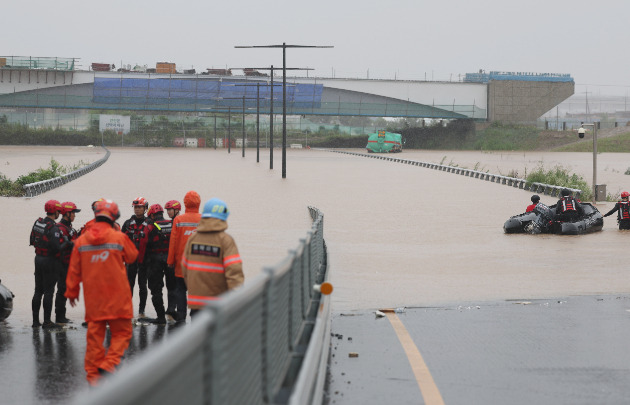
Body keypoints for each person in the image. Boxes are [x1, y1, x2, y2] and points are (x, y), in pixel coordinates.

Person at [65, 199, 138, 386]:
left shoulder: (81, 240)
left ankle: (93, 378)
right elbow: (132, 256)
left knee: (94, 339)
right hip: (118, 298)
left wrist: (72, 292)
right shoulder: (118, 237)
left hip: (94, 299)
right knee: (122, 334)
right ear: (114, 217)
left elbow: (74, 270)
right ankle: (110, 364)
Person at [181, 198, 244, 318]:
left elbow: (184, 268)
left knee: (198, 336)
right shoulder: (226, 240)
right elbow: (234, 273)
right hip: (218, 305)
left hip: (196, 304)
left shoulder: (193, 239)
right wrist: (237, 302)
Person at [167, 191, 201, 323]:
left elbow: (173, 243)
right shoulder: (204, 219)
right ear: (199, 203)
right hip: (198, 265)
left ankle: (181, 316)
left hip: (181, 264)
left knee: (180, 291)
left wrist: (170, 261)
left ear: (185, 203)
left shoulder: (178, 220)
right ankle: (195, 316)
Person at [29, 199, 63, 328]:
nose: (59, 213)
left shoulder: (38, 223)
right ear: (55, 212)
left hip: (38, 259)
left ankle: (35, 321)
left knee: (38, 290)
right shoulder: (53, 227)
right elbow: (56, 247)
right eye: (58, 211)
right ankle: (47, 321)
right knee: (49, 291)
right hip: (49, 261)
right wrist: (67, 243)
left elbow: (32, 240)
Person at [137, 204, 172, 324]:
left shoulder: (149, 226)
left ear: (152, 215)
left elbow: (142, 244)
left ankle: (161, 317)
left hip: (154, 261)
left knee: (156, 289)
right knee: (172, 287)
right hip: (170, 261)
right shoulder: (171, 224)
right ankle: (174, 312)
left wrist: (141, 261)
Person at [121, 197, 150, 318]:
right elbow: (120, 240)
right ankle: (127, 310)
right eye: (135, 207)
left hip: (144, 261)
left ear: (145, 208)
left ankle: (141, 311)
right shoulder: (127, 223)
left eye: (139, 207)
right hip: (130, 261)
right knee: (129, 286)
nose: (137, 209)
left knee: (143, 286)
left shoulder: (150, 223)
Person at [55, 201, 80, 324]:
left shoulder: (69, 228)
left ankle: (61, 316)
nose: (75, 216)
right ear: (67, 213)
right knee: (62, 289)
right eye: (73, 213)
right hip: (62, 264)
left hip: (69, 263)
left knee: (64, 289)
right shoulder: (60, 228)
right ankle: (59, 317)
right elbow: (61, 246)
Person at [163, 200, 181, 319]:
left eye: (170, 210)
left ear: (176, 210)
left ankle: (176, 310)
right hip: (169, 259)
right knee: (170, 285)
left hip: (177, 261)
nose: (168, 212)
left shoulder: (179, 223)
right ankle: (171, 309)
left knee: (177, 286)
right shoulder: (170, 223)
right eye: (167, 210)